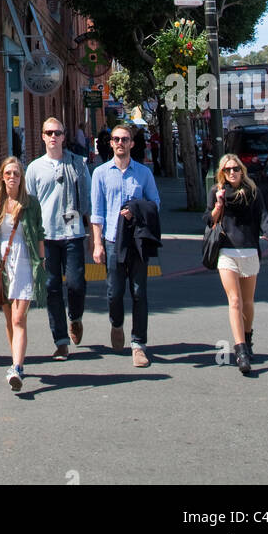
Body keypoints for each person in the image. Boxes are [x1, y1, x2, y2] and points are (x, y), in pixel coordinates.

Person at [204, 155, 268, 375]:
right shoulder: (217, 192)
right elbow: (209, 219)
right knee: (235, 301)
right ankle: (240, 351)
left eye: (236, 169)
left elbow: (263, 218)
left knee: (248, 302)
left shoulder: (253, 192)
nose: (232, 173)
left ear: (242, 171)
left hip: (249, 251)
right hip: (226, 252)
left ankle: (247, 338)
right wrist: (219, 204)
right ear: (222, 172)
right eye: (228, 169)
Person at [90, 122, 161, 367]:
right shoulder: (100, 173)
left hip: (137, 241)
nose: (120, 143)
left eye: (125, 139)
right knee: (114, 292)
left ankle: (138, 344)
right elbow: (96, 212)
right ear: (110, 144)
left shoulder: (143, 173)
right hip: (112, 241)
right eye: (116, 139)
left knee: (140, 292)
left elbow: (155, 205)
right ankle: (116, 323)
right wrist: (97, 244)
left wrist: (136, 211)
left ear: (131, 143)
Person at [25, 117, 92, 359]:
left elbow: (88, 203)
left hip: (73, 233)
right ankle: (61, 340)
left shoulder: (77, 165)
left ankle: (75, 317)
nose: (53, 137)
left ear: (64, 137)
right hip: (47, 236)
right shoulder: (34, 168)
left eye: (58, 133)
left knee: (75, 283)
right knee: (52, 287)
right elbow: (29, 206)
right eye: (49, 132)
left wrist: (95, 238)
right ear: (42, 136)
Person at [0, 157, 46, 392]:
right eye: (8, 173)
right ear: (2, 177)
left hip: (26, 263)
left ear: (21, 178)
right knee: (10, 319)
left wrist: (42, 262)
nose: (12, 177)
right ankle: (16, 362)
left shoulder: (31, 204)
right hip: (3, 265)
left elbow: (39, 232)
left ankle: (17, 367)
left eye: (16, 173)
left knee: (19, 319)